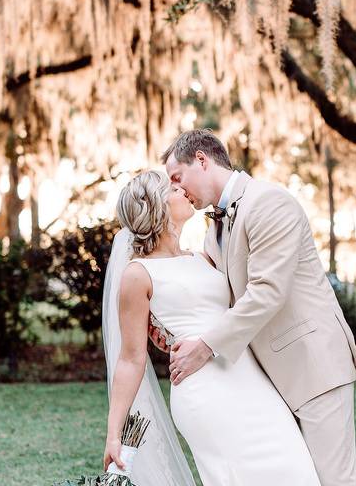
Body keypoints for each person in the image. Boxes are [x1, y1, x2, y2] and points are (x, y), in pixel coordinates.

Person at [160, 129, 356, 486]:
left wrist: (206, 348)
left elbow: (267, 291)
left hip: (312, 365)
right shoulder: (214, 230)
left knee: (334, 481)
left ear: (201, 160)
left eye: (177, 178)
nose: (177, 190)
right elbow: (214, 296)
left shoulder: (269, 202)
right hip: (270, 378)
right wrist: (172, 329)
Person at [102, 170, 321, 485]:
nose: (184, 191)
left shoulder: (203, 257)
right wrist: (114, 434)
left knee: (294, 467)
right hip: (203, 390)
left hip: (249, 377)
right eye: (174, 189)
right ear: (157, 205)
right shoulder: (138, 274)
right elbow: (131, 358)